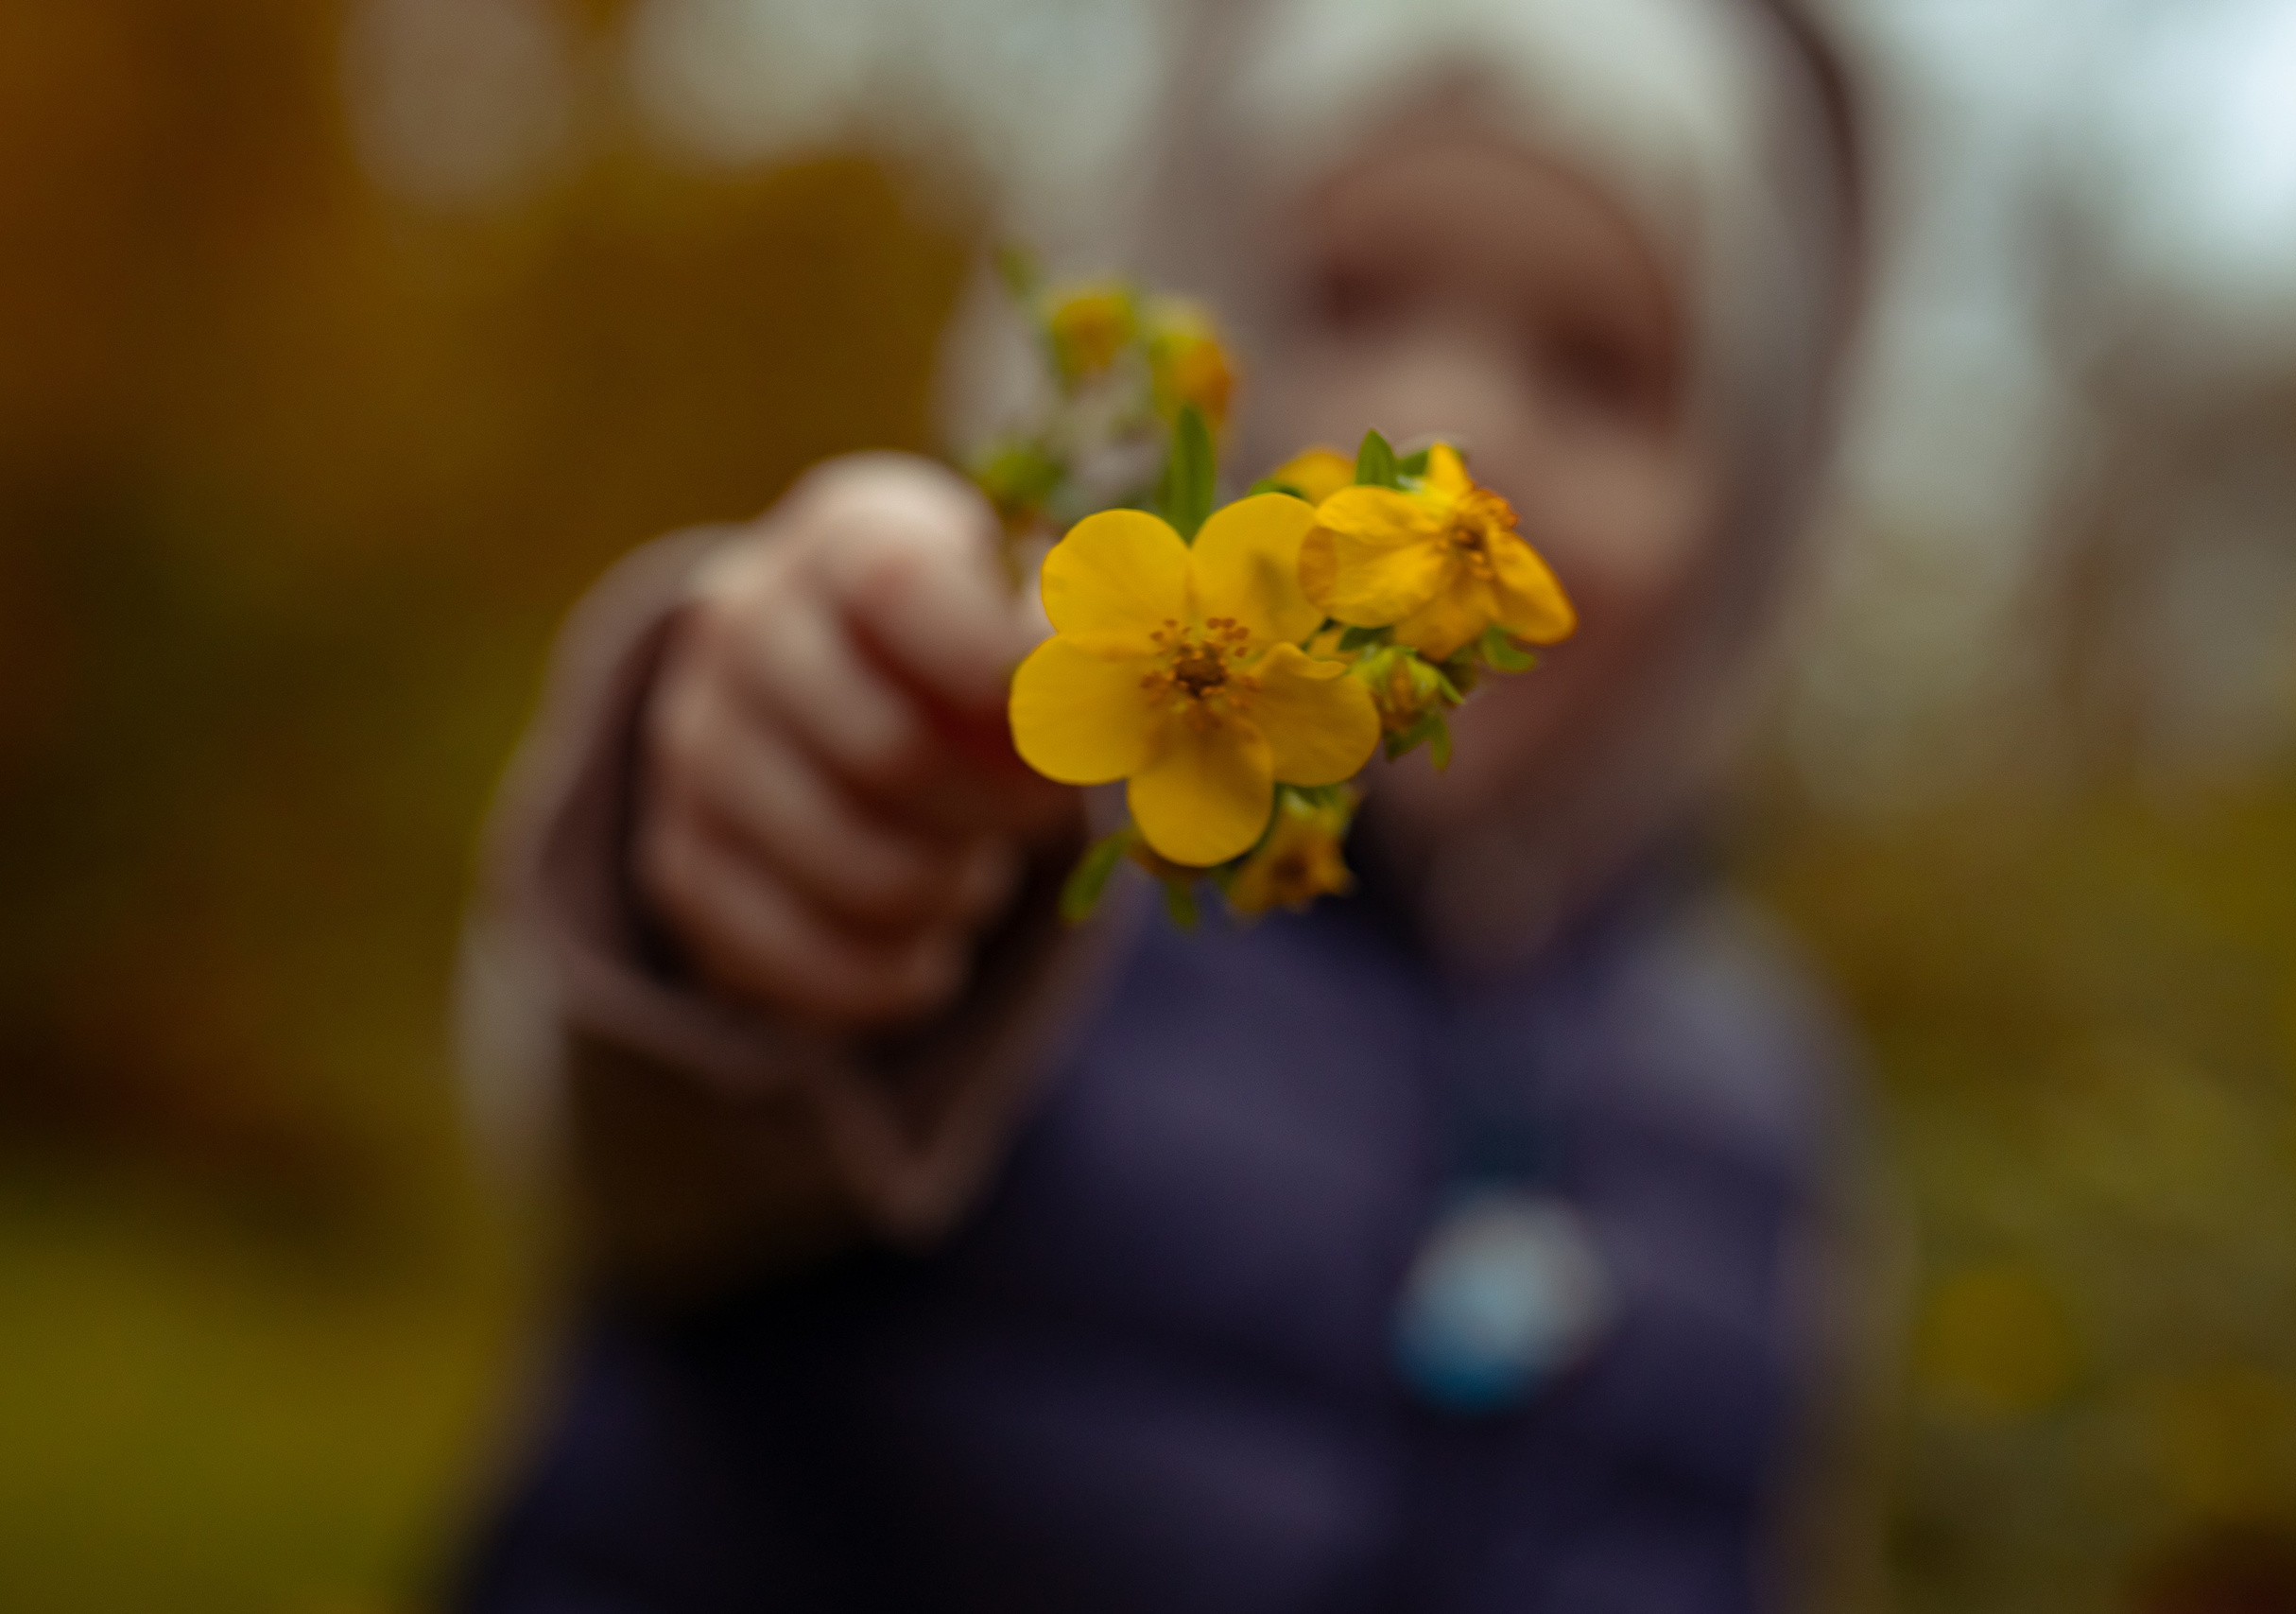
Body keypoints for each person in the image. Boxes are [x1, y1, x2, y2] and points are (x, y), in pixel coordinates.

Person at [451, 0, 1875, 1606]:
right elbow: (676, 1115)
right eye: (1347, 296)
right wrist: (770, 819)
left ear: (1740, 518)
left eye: (1602, 371)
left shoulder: (1757, 1094)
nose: (1456, 449)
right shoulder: (1009, 836)